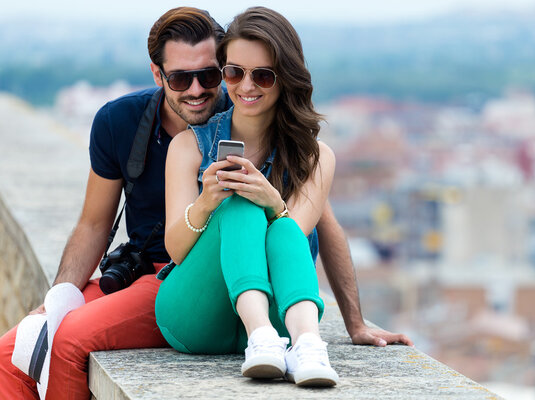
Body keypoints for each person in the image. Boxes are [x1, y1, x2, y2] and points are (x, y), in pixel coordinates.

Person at [0, 5, 411, 400]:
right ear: (157, 75)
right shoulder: (124, 122)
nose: (199, 90)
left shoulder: (250, 106)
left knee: (71, 338)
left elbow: (317, 222)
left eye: (211, 75)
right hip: (156, 273)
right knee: (12, 354)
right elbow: (93, 225)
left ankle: (283, 339)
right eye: (180, 79)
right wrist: (55, 300)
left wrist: (355, 322)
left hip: (202, 279)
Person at [155, 6, 340, 386]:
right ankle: (261, 338)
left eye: (263, 75)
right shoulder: (189, 146)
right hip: (195, 313)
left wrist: (274, 201)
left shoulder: (316, 157)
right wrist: (207, 202)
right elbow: (174, 250)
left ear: (285, 78)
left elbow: (291, 237)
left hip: (278, 313)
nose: (247, 86)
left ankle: (306, 344)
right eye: (234, 72)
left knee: (280, 222)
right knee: (238, 205)